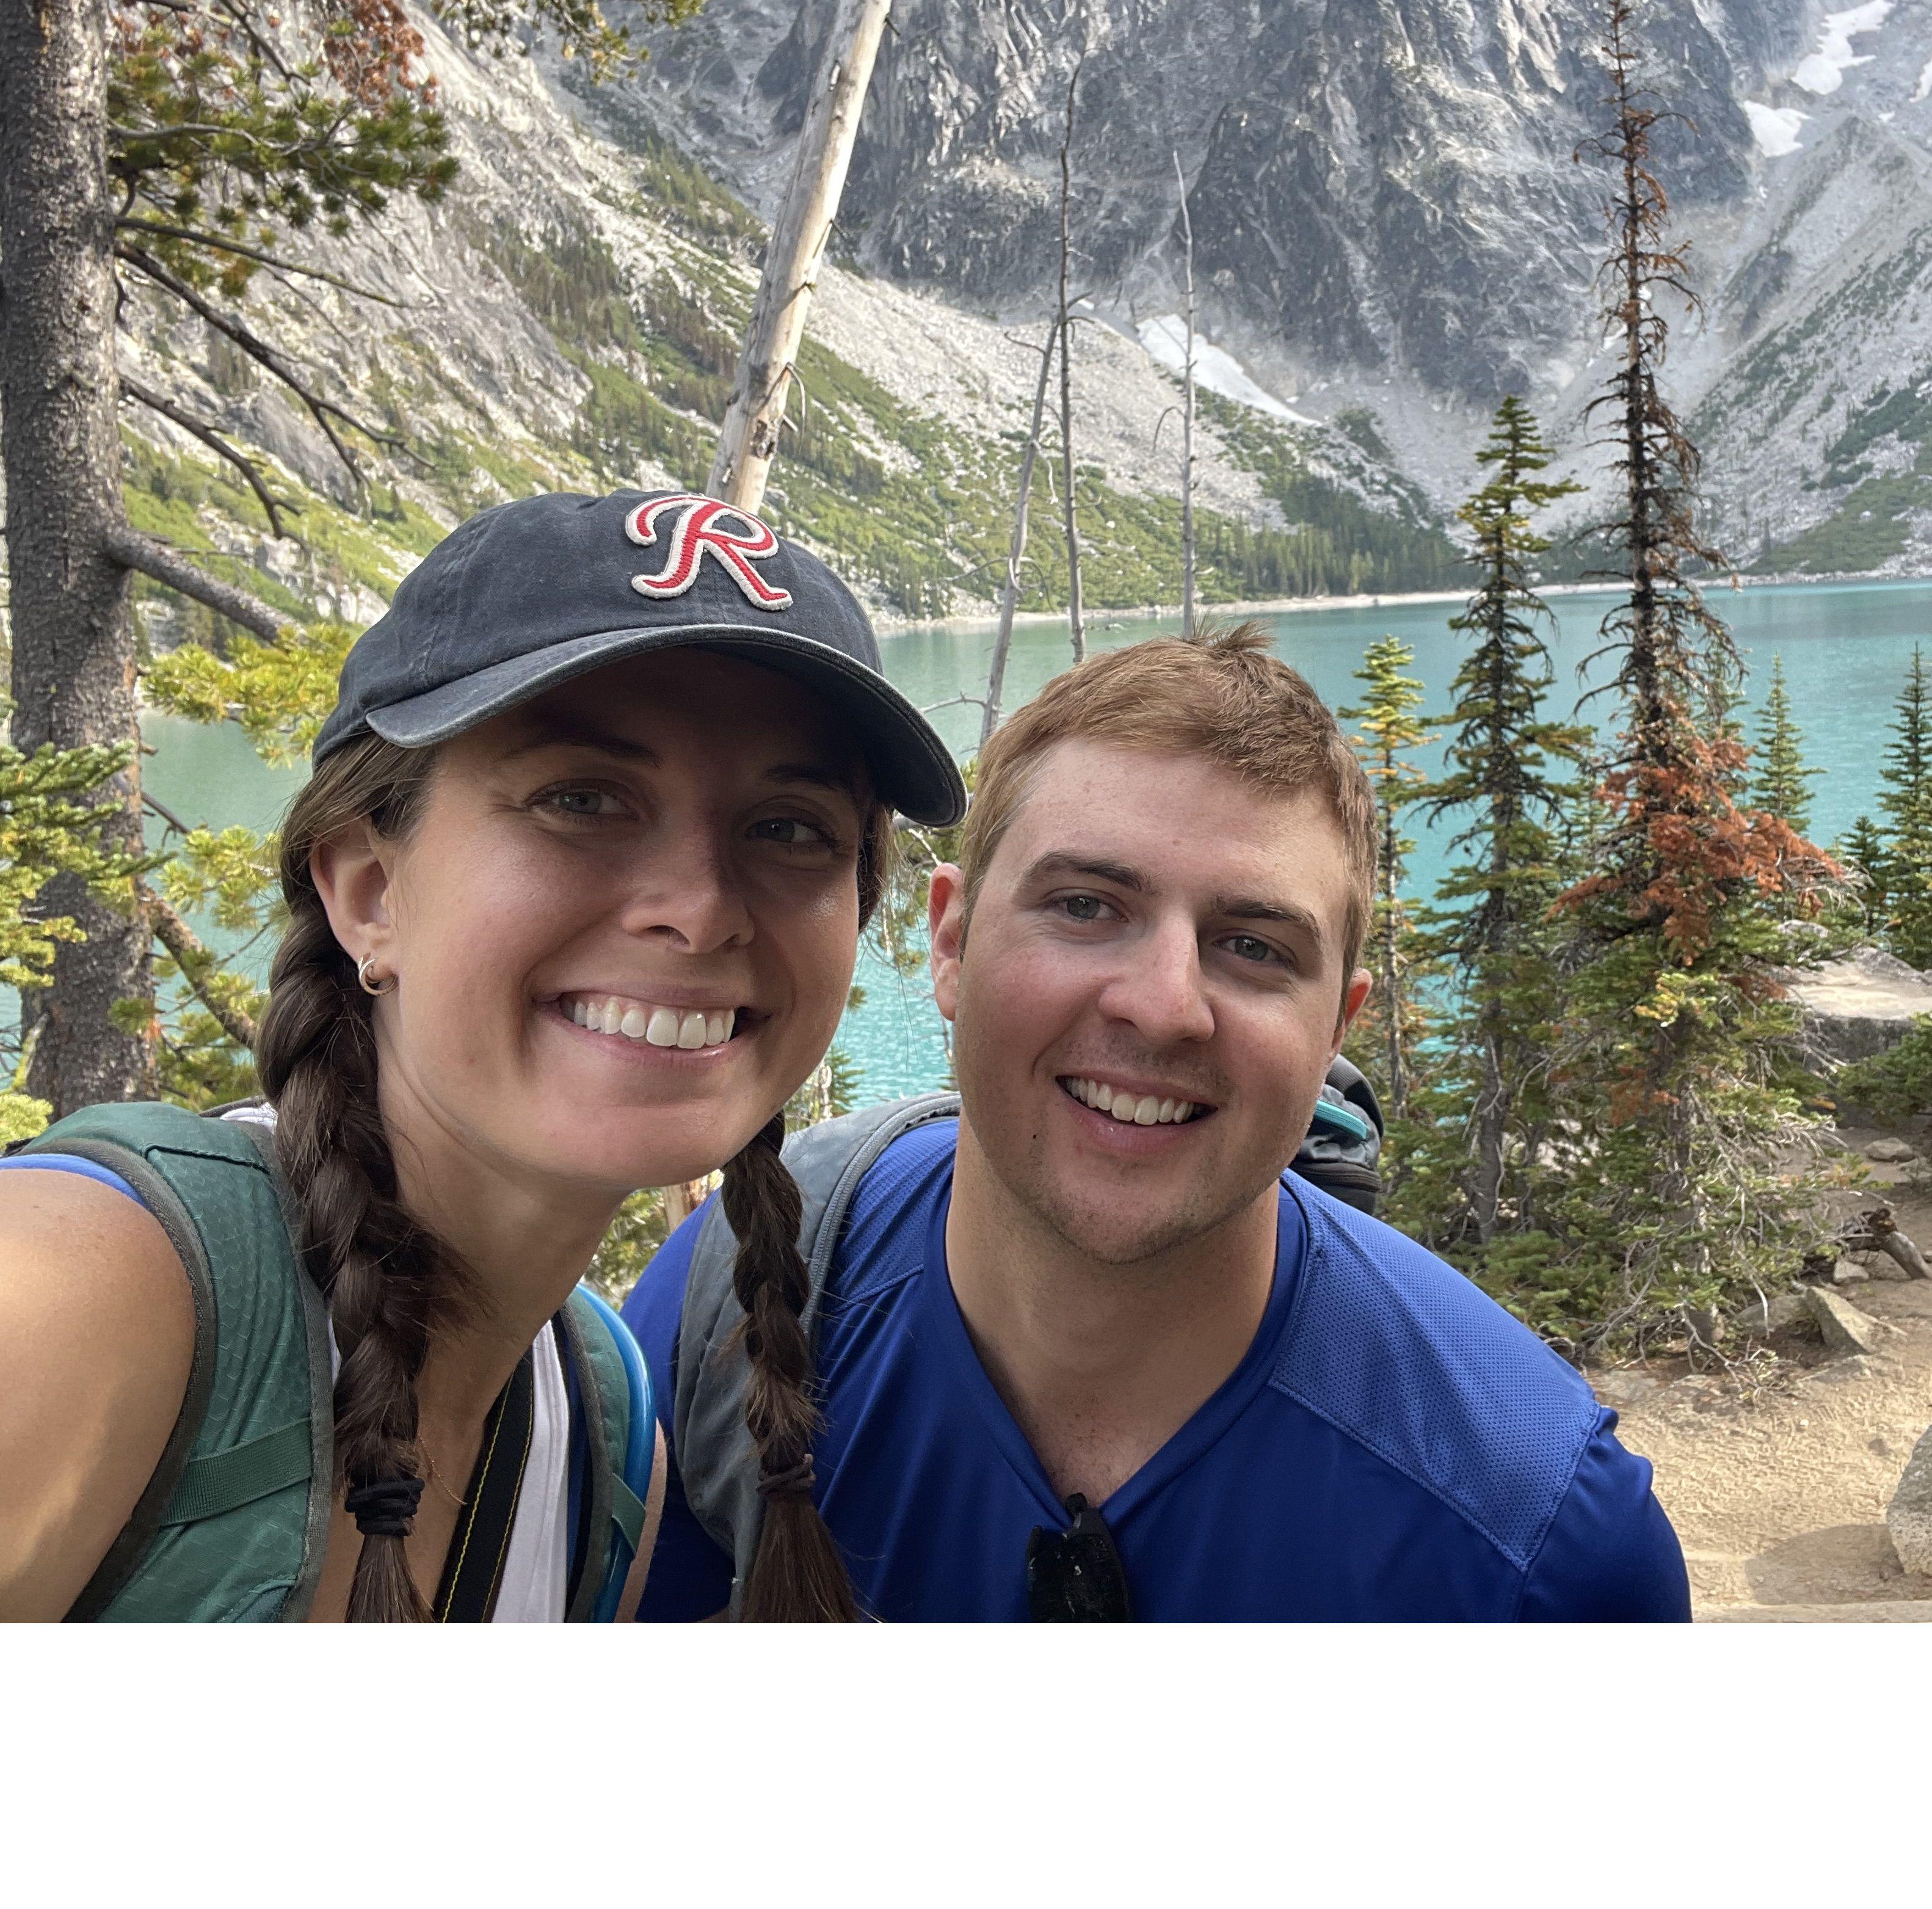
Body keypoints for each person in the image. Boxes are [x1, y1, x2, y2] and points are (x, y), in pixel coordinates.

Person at [0, 489, 963, 1622]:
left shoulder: (604, 1435)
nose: (701, 912)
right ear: (369, 891)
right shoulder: (85, 1291)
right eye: (584, 800)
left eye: (790, 827)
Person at [626, 625, 1691, 1621]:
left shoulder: (1538, 1543)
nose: (1165, 1004)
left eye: (1256, 946)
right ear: (950, 943)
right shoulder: (728, 1303)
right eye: (1086, 906)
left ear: (1335, 1031)